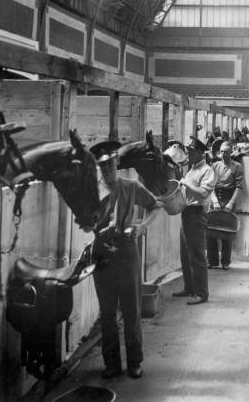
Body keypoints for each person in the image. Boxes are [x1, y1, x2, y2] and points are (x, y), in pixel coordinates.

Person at [87, 141, 162, 380]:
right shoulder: (92, 191)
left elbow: (155, 206)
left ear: (116, 163)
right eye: (103, 166)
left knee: (131, 311)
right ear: (98, 167)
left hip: (127, 251)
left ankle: (134, 362)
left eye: (110, 164)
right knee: (107, 314)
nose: (107, 169)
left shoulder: (131, 186)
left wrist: (141, 228)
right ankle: (111, 363)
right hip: (102, 254)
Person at [175, 136, 216, 305]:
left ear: (199, 153)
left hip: (197, 214)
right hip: (186, 212)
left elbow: (203, 193)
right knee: (185, 254)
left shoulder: (207, 171)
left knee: (197, 255)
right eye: (188, 152)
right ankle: (189, 287)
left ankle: (202, 293)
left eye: (191, 152)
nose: (188, 155)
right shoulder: (191, 169)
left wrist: (185, 183)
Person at [207, 141, 244, 270]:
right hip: (216, 198)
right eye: (221, 151)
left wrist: (231, 203)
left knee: (227, 232)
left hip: (229, 198)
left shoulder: (237, 167)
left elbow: (239, 187)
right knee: (210, 230)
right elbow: (210, 185)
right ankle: (212, 261)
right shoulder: (214, 165)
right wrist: (214, 200)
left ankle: (226, 262)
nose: (223, 154)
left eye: (226, 152)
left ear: (231, 152)